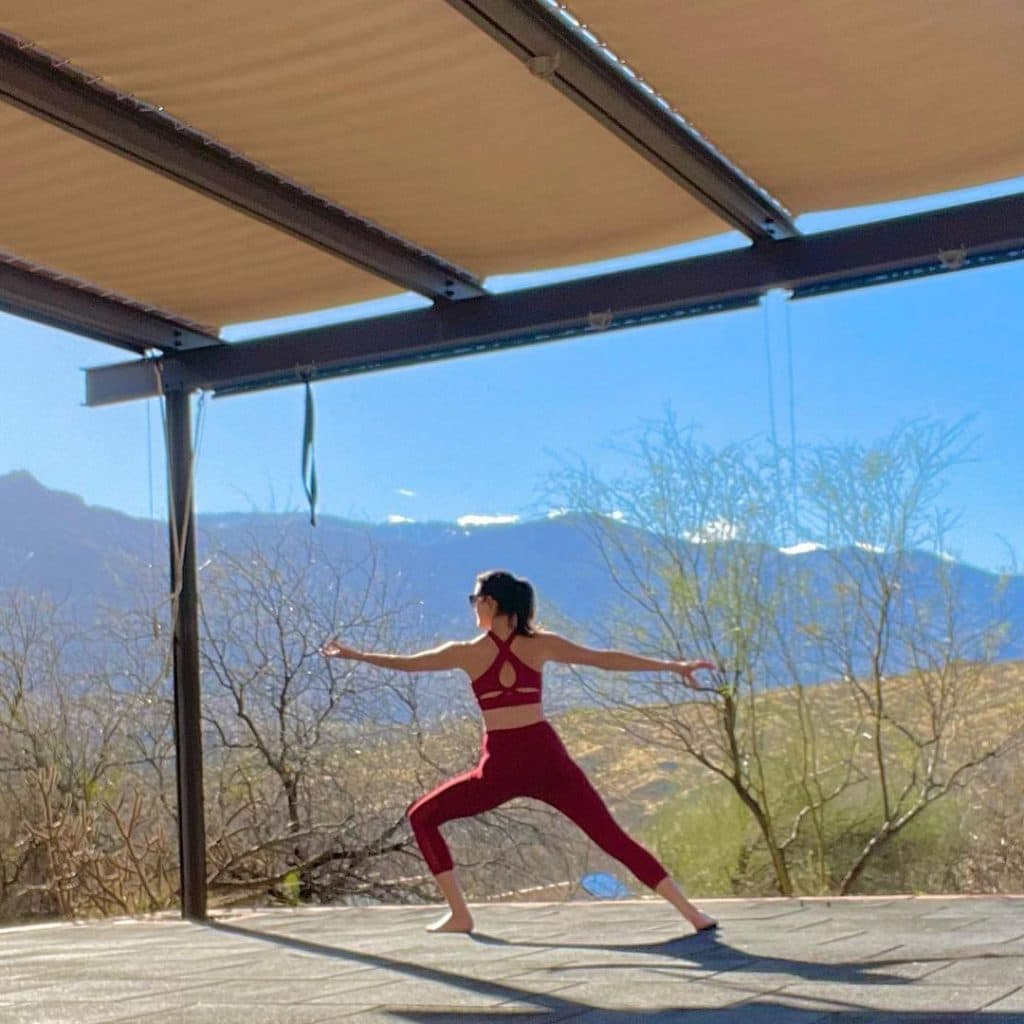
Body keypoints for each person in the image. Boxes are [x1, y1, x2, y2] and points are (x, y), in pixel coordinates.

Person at [321, 569, 718, 935]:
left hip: (505, 767)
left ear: (490, 602)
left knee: (421, 816)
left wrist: (357, 656)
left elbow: (408, 665)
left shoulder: (467, 652)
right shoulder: (538, 645)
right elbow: (603, 660)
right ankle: (692, 914)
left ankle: (460, 914)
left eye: (474, 599)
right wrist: (675, 666)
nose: (472, 607)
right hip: (544, 759)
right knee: (611, 837)